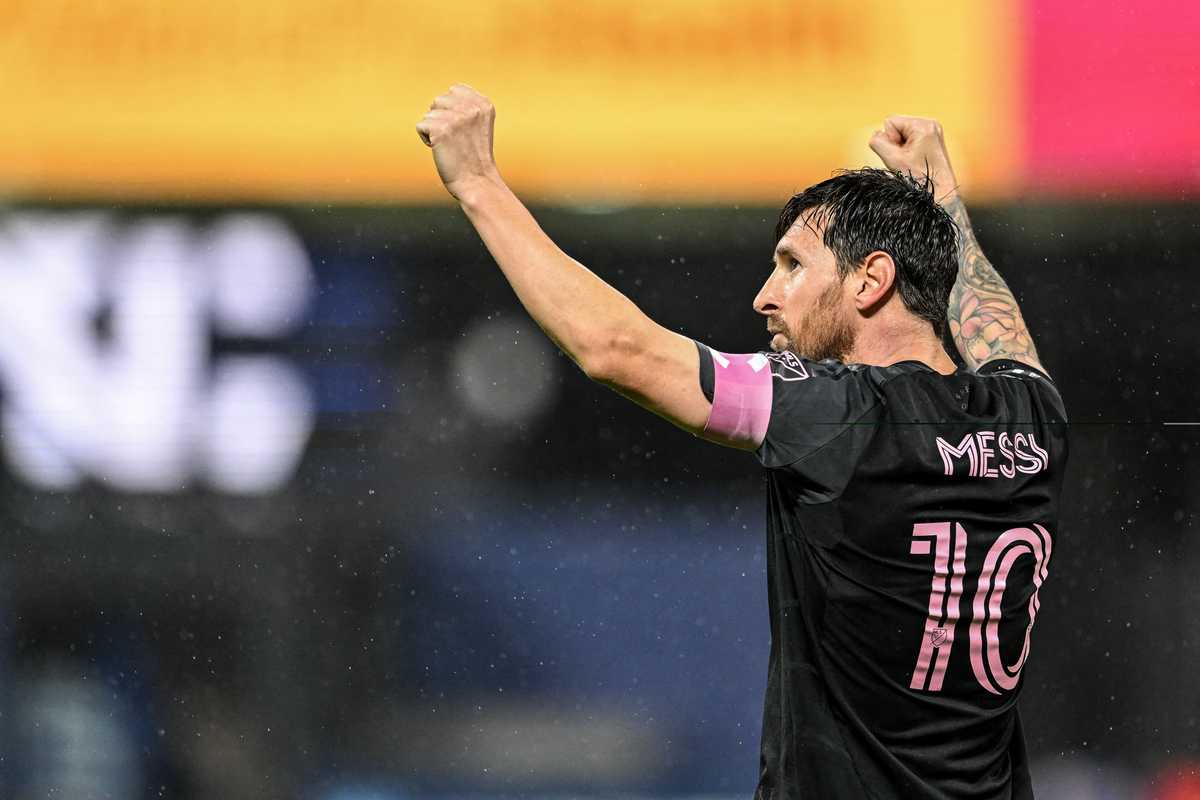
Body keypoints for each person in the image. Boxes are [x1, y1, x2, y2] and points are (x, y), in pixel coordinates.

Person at [417, 86, 1068, 800]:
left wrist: (477, 182)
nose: (765, 295)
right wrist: (943, 198)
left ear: (872, 281)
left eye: (793, 265)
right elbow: (996, 328)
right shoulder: (1031, 417)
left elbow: (617, 350)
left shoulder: (838, 414)